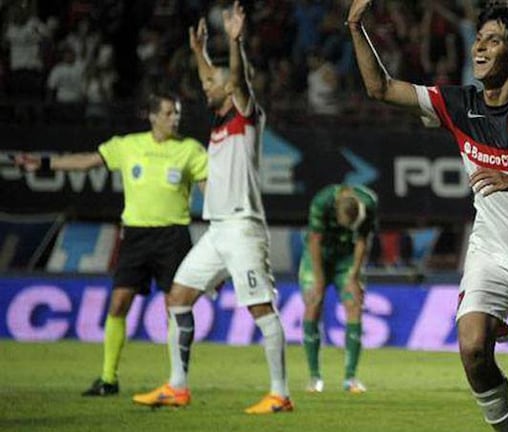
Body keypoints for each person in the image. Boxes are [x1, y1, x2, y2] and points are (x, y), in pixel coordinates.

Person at [347, 1, 508, 431]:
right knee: (473, 348)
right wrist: (355, 26)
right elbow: (381, 88)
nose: (479, 46)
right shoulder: (458, 104)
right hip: (490, 253)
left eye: (493, 40)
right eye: (479, 38)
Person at [132, 2, 292, 414]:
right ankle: (178, 386)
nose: (206, 87)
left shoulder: (245, 114)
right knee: (178, 297)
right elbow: (213, 78)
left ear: (231, 89)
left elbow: (234, 80)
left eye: (213, 84)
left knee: (260, 307)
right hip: (216, 230)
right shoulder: (219, 121)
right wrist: (200, 52)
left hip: (243, 227)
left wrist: (234, 41)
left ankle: (280, 393)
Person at [14, 91, 207, 397]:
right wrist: (44, 163)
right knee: (118, 304)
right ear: (153, 116)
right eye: (169, 113)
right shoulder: (127, 145)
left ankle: (177, 380)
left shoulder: (190, 150)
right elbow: (86, 161)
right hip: (136, 236)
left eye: (177, 113)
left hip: (173, 235)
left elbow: (210, 189)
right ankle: (108, 379)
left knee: (176, 307)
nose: (175, 118)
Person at [300, 184, 378, 394]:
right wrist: (318, 279)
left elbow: (363, 240)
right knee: (313, 304)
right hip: (319, 257)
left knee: (354, 305)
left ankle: (350, 378)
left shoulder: (368, 203)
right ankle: (314, 378)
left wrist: (354, 276)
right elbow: (315, 241)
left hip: (347, 258)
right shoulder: (321, 203)